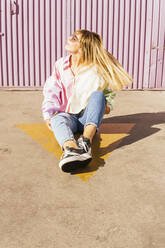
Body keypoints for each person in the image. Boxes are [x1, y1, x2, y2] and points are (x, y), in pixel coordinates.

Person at [42, 29, 133, 172]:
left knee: (98, 95)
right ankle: (71, 149)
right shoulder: (61, 65)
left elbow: (108, 93)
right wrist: (48, 113)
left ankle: (85, 143)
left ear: (83, 46)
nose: (69, 38)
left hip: (87, 118)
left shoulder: (97, 69)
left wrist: (105, 105)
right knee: (57, 118)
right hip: (68, 116)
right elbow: (51, 89)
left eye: (74, 38)